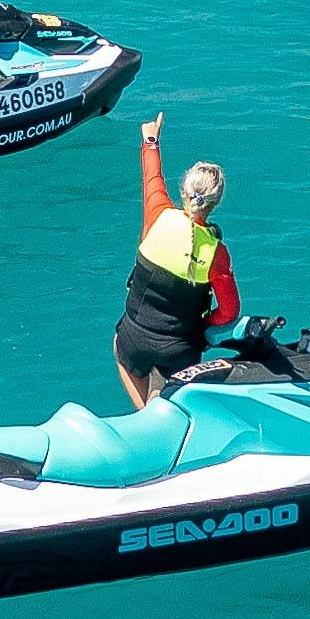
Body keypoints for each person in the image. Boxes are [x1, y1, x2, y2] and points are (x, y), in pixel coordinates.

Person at [117, 114, 243, 406]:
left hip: (133, 337)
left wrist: (151, 140)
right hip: (180, 350)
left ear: (183, 192)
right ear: (216, 203)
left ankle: (145, 415)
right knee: (164, 379)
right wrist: (203, 324)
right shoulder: (217, 253)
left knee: (119, 346)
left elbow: (152, 178)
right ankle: (155, 414)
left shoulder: (160, 215)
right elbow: (229, 312)